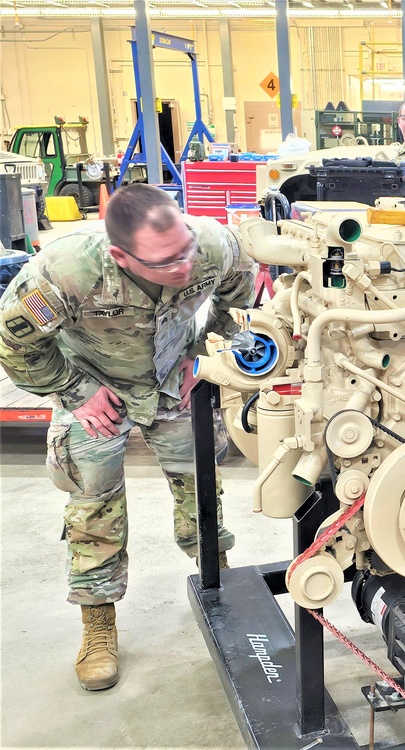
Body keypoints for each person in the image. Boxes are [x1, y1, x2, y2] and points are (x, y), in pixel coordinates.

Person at [0, 183, 254, 692]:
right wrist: (75, 392)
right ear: (121, 254)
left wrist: (205, 355)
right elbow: (14, 344)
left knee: (201, 488)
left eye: (184, 249)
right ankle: (98, 625)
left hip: (171, 385)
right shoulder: (63, 275)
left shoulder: (212, 243)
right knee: (93, 506)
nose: (183, 266)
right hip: (96, 391)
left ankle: (218, 584)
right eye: (164, 262)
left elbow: (240, 300)